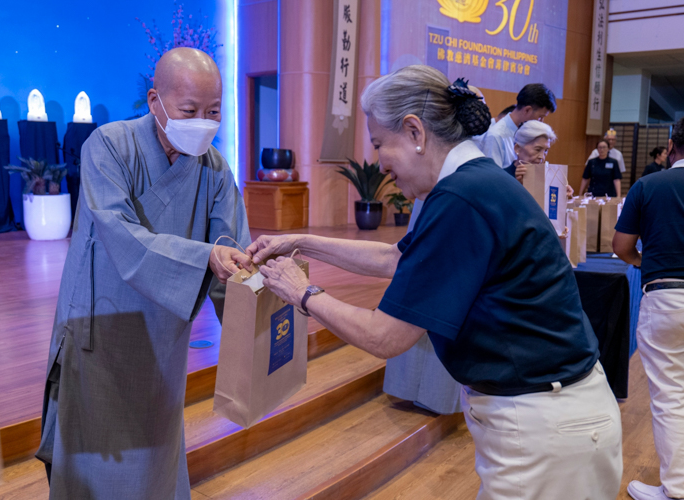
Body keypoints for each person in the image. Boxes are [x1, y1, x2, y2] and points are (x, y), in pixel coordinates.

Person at [247, 65, 622, 499]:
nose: (382, 165)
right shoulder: (475, 182)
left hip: (545, 423)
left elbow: (386, 336)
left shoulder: (461, 197)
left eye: (378, 144)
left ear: (414, 132)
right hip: (550, 417)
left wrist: (301, 292)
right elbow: (396, 258)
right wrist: (301, 242)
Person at [36, 48, 252, 499]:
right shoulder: (109, 146)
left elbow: (230, 252)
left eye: (214, 112)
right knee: (95, 456)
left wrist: (261, 297)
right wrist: (205, 259)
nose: (204, 122)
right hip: (104, 320)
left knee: (155, 451)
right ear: (155, 101)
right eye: (189, 110)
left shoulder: (214, 168)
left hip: (162, 328)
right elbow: (120, 234)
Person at [614, 118, 684, 500]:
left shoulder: (650, 185)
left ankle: (676, 488)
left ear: (671, 145)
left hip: (667, 294)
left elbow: (622, 247)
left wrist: (647, 260)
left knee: (671, 394)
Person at [481, 83, 557, 169]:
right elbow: (493, 177)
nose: (542, 122)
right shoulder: (496, 136)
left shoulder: (526, 133)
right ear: (527, 110)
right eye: (540, 117)